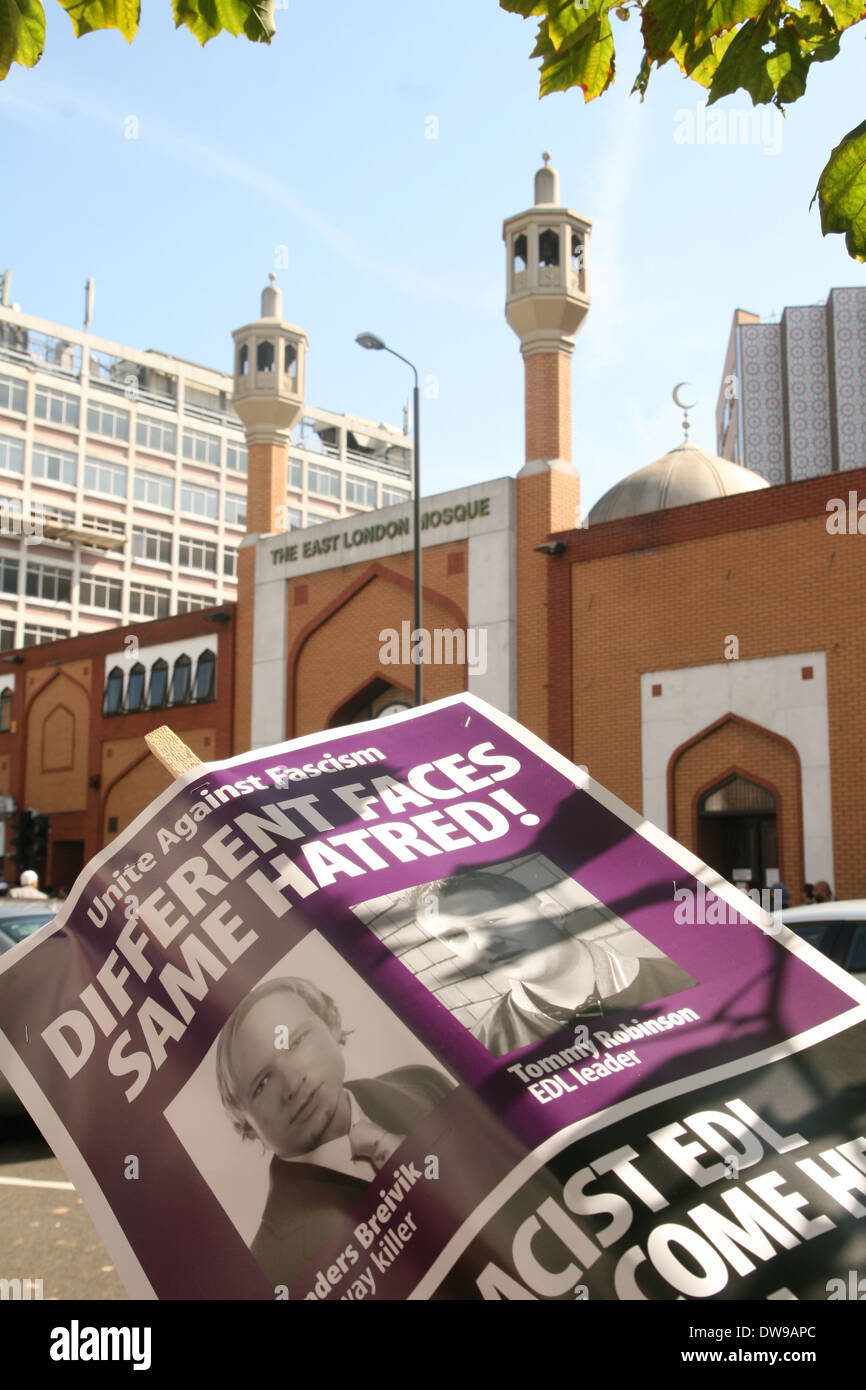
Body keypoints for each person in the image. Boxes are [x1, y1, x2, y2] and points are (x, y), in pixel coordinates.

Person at [216, 976, 453, 1291]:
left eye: (296, 1041)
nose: (292, 1083)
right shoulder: (267, 1271)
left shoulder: (422, 1083)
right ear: (247, 1125)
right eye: (262, 1084)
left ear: (331, 1025)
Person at [417, 870, 697, 1056]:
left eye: (492, 921)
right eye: (455, 936)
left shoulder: (685, 977)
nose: (483, 944)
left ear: (552, 915)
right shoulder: (487, 1046)